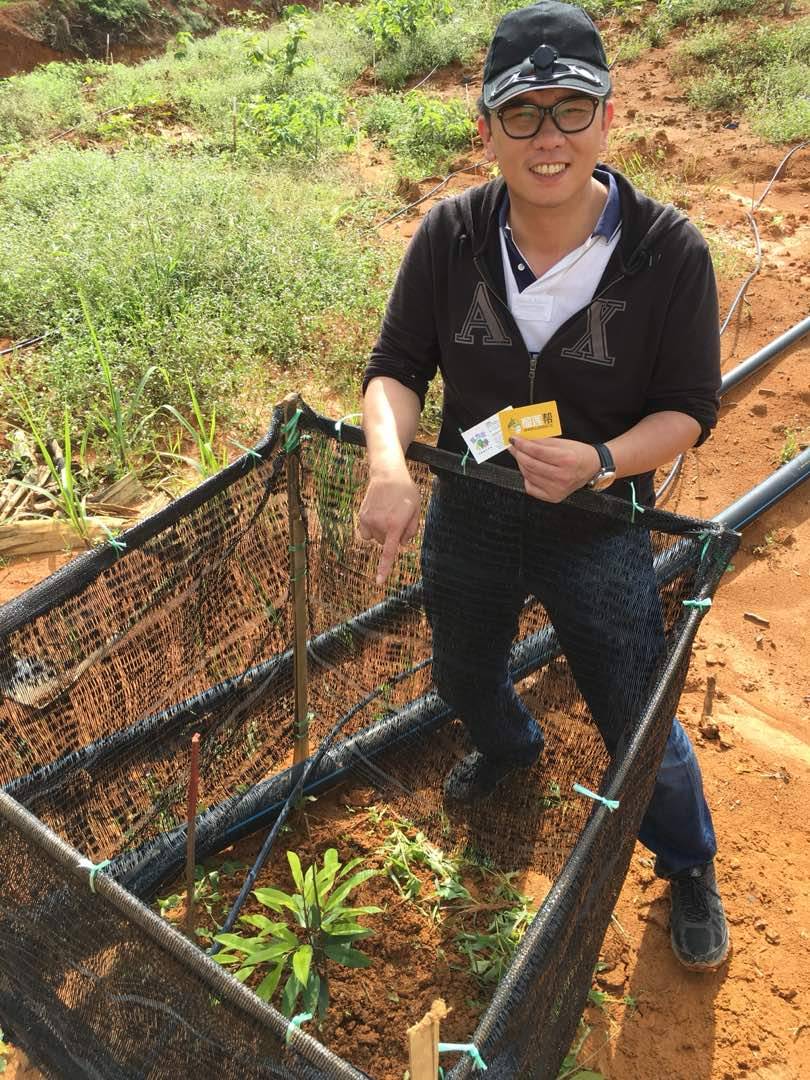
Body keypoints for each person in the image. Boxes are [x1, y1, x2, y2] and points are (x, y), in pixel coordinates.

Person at [358, 0, 729, 972]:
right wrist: (390, 466)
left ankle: (687, 862)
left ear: (610, 119)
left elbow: (689, 409)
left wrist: (603, 461)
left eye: (572, 110)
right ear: (485, 129)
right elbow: (397, 368)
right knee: (460, 670)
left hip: (597, 523)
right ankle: (511, 747)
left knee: (632, 709)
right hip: (472, 512)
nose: (549, 137)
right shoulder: (450, 237)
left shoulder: (670, 254)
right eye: (523, 114)